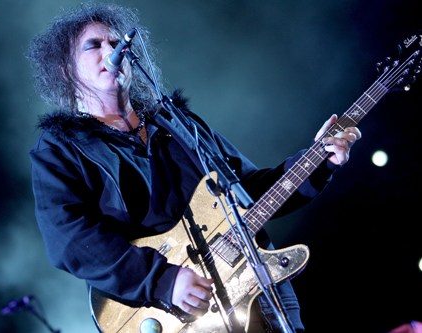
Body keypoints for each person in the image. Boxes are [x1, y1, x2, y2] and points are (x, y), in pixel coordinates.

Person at [26, 2, 361, 332]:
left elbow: (248, 192)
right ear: (66, 70)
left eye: (115, 42)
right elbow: (71, 240)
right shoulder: (61, 149)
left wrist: (318, 161)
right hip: (171, 311)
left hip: (257, 290)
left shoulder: (178, 124)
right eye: (94, 45)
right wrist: (162, 280)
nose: (111, 50)